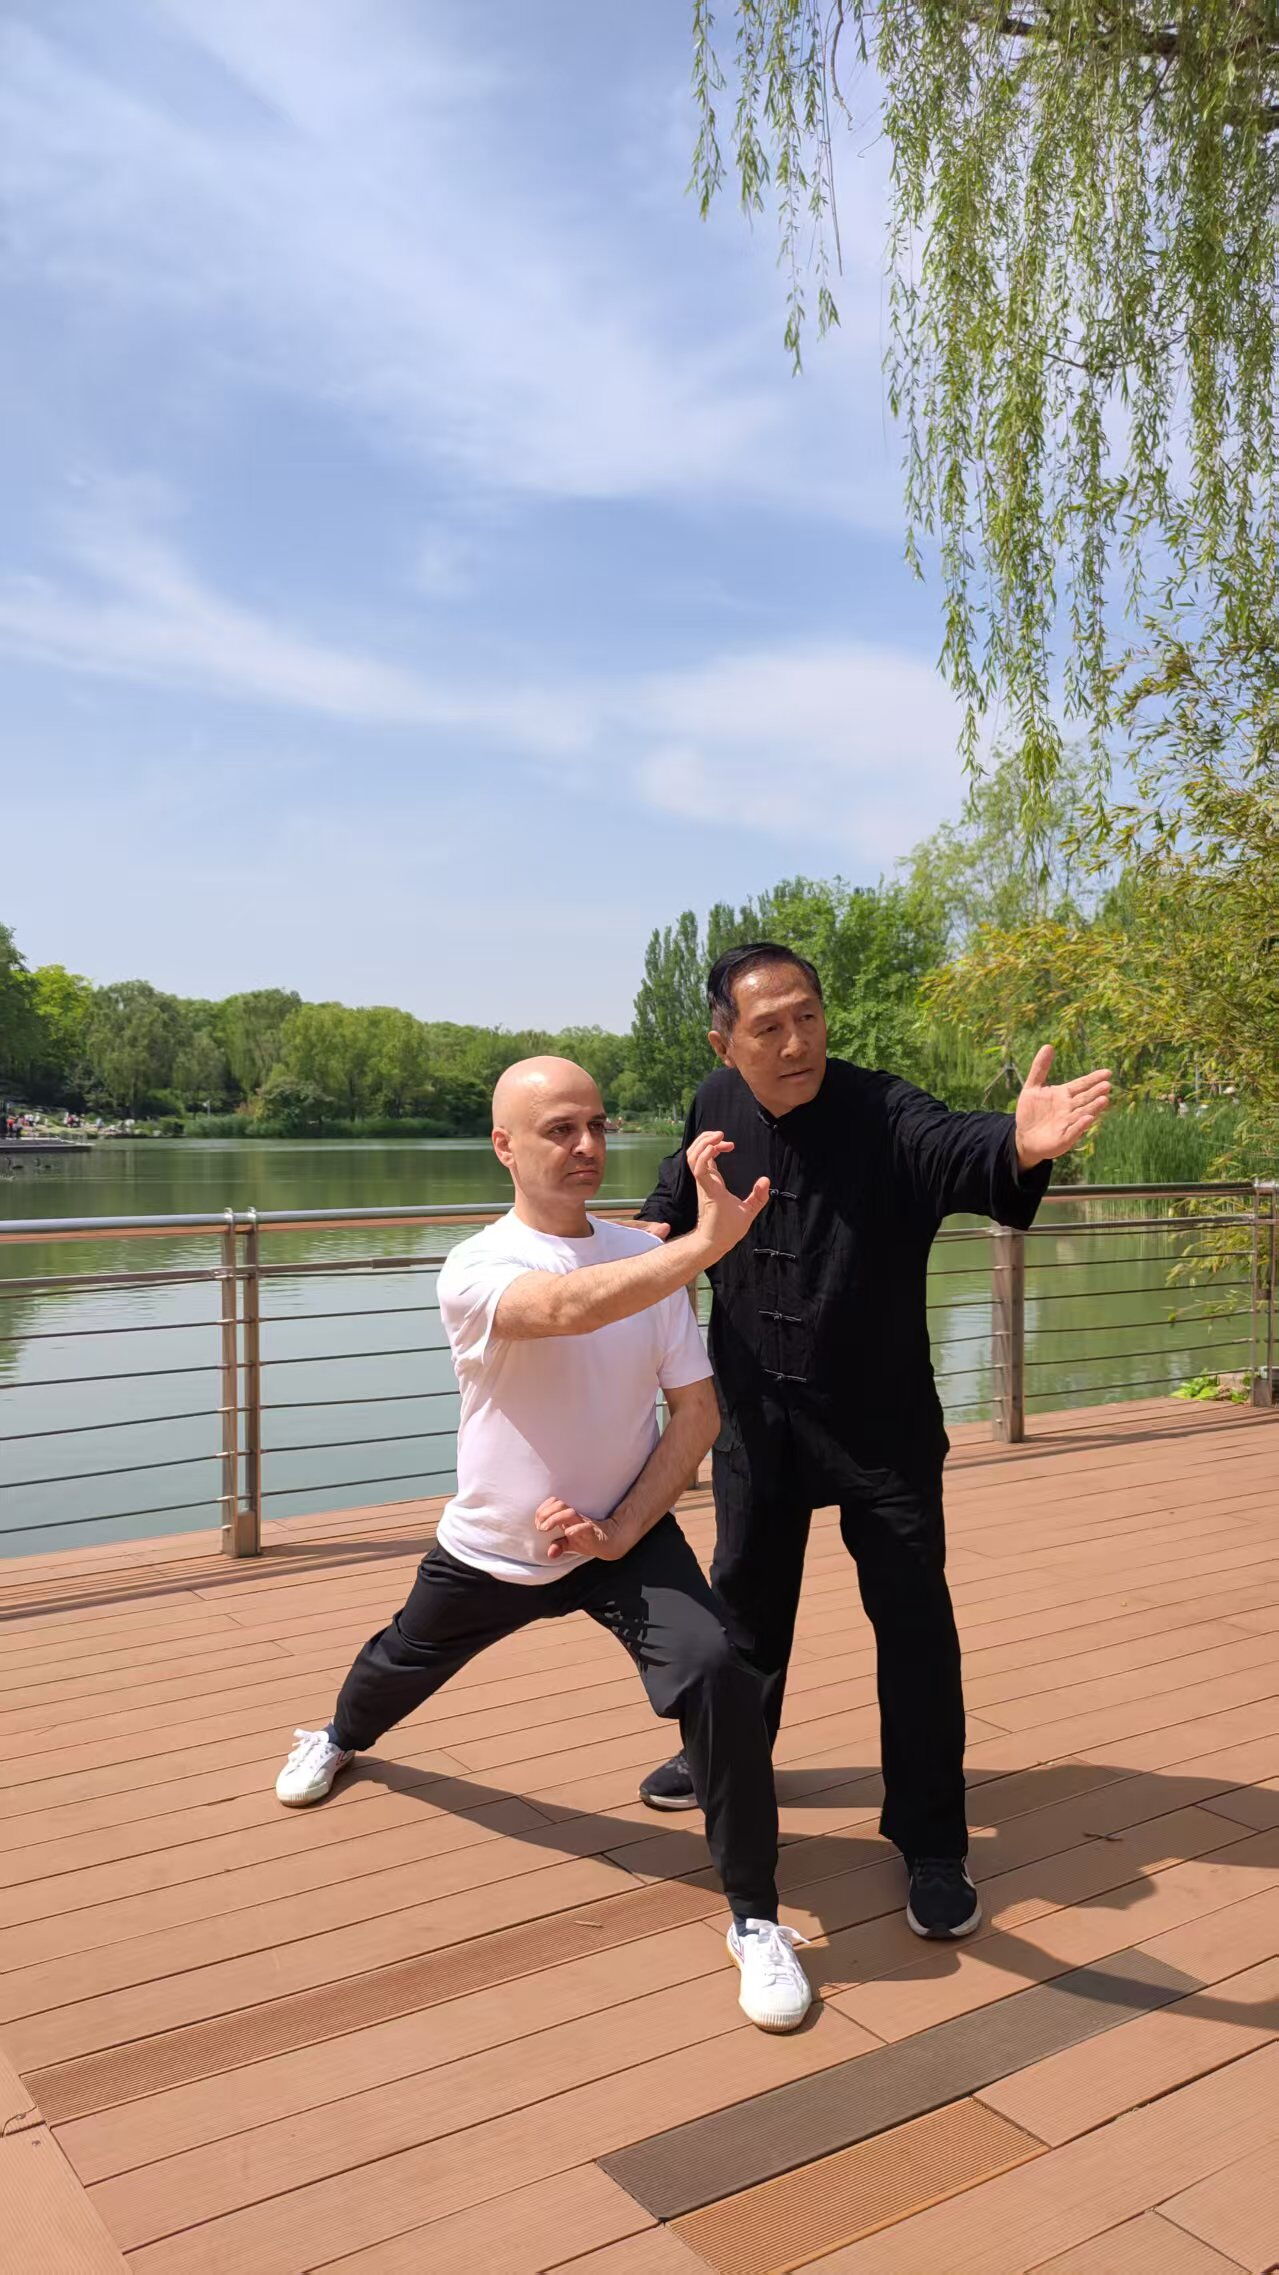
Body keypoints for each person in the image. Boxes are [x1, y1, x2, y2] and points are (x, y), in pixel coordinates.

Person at [274, 1056, 812, 2031]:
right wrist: (701, 1245)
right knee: (398, 1659)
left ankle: (754, 1917)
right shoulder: (477, 1266)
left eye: (596, 1124)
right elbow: (565, 1309)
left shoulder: (646, 1260)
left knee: (719, 1671)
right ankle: (339, 1737)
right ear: (504, 1145)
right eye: (560, 1128)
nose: (586, 1145)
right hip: (493, 1545)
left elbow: (695, 1413)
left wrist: (621, 1528)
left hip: (626, 1537)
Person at [634, 944, 1111, 1941]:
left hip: (880, 1427)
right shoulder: (713, 1102)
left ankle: (932, 1840)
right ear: (724, 1042)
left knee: (914, 1629)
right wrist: (632, 1243)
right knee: (742, 1613)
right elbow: (673, 1202)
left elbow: (955, 1145)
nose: (794, 1041)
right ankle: (729, 1758)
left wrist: (1019, 1146)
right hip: (756, 1421)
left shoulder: (883, 1110)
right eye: (767, 1027)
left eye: (807, 1015)